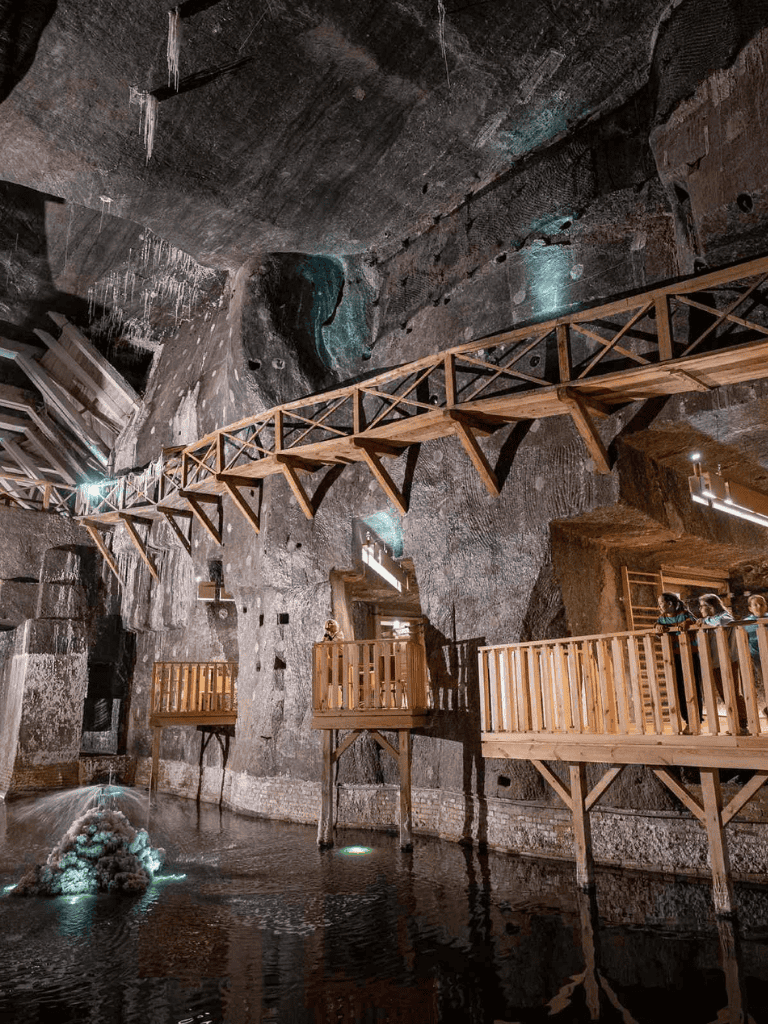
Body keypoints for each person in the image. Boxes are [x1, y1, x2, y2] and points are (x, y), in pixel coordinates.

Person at [697, 593, 746, 731]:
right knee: (724, 693)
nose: (700, 610)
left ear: (711, 606)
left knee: (733, 692)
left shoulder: (723, 616)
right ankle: (736, 723)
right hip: (716, 662)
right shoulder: (709, 619)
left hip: (728, 660)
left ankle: (743, 723)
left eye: (702, 606)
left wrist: (706, 622)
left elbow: (725, 622)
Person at [655, 592, 698, 728]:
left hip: (691, 654)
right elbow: (656, 629)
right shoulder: (662, 619)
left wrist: (688, 622)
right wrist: (657, 628)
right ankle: (688, 721)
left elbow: (694, 621)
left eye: (661, 603)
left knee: (693, 686)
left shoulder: (684, 614)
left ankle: (696, 719)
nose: (659, 606)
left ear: (670, 604)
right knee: (679, 688)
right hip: (674, 656)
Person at [741, 594, 768, 717]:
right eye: (755, 605)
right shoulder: (746, 623)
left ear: (766, 606)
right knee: (765, 682)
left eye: (762, 604)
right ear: (750, 609)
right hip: (758, 658)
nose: (759, 607)